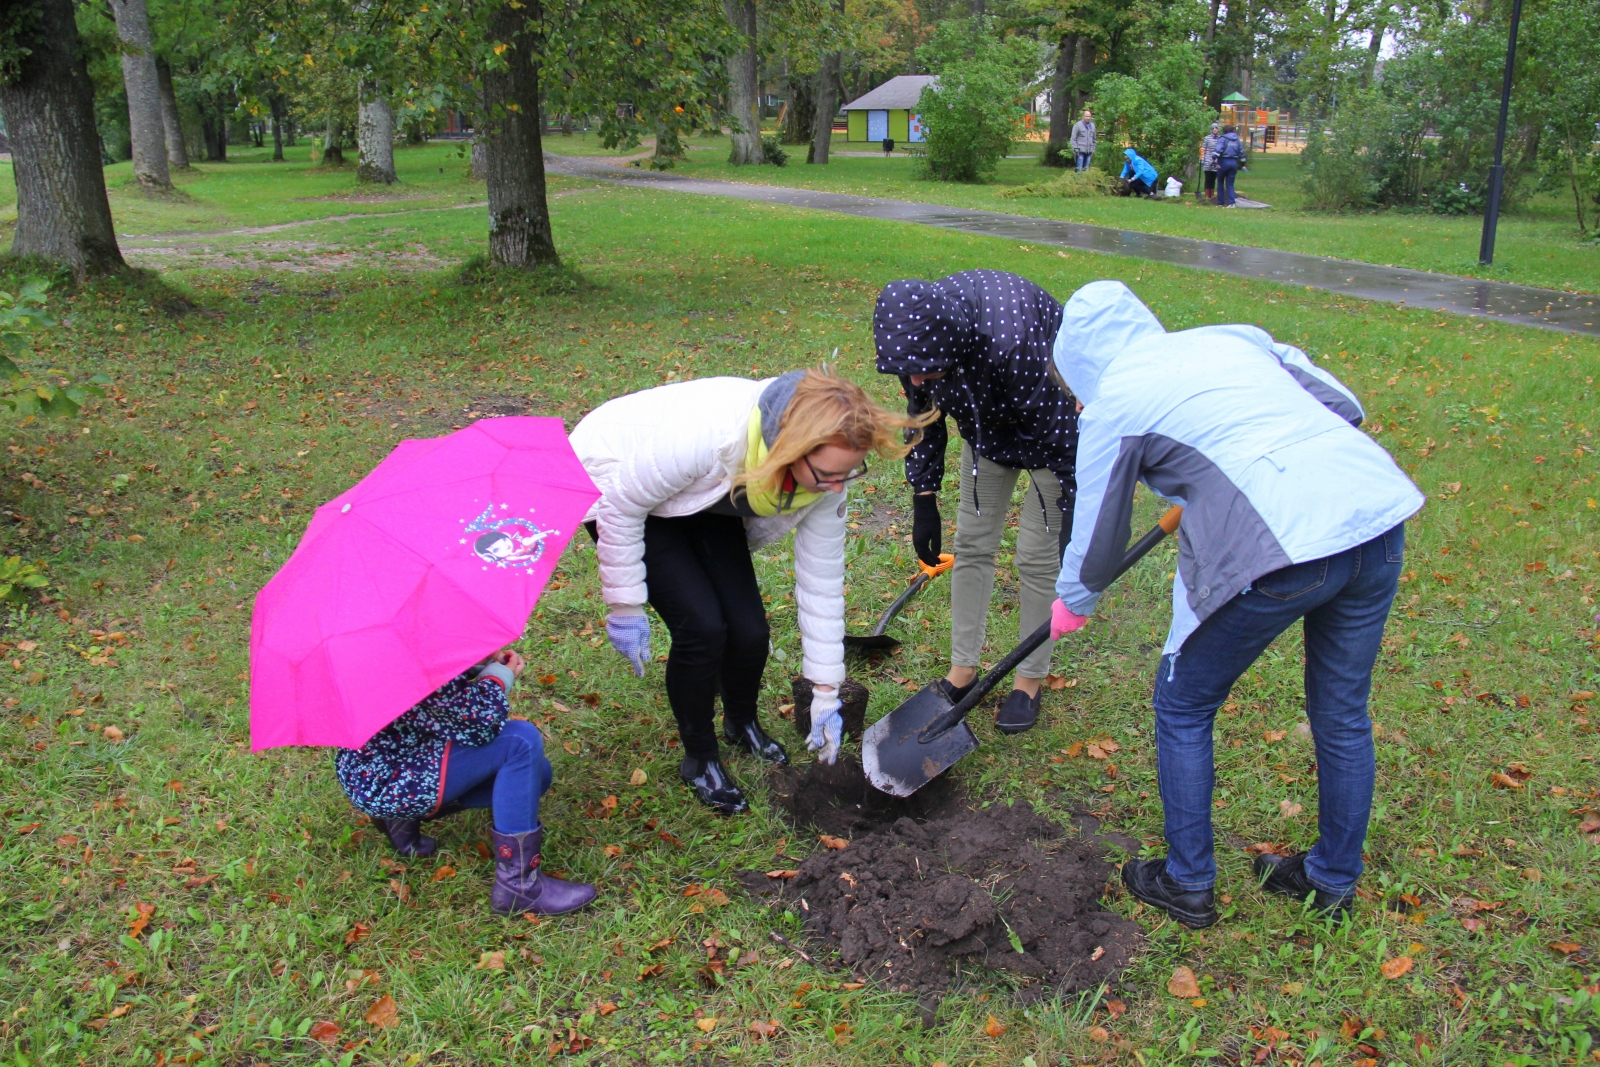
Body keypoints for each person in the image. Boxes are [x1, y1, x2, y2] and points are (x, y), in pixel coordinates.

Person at [1047, 281, 1423, 928]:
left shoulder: (1116, 401)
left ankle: (1188, 880)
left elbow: (1097, 532)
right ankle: (1332, 878)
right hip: (1376, 518)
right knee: (1341, 711)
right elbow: (1345, 404)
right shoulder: (1232, 337)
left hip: (1280, 546)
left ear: (1081, 364)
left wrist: (1074, 601)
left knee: (1184, 702)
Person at [571, 367, 929, 815]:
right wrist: (625, 605)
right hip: (622, 479)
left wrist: (825, 692)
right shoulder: (708, 437)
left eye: (849, 473)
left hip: (703, 494)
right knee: (702, 628)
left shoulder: (828, 476)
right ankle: (700, 759)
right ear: (790, 449)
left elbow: (821, 583)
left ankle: (740, 723)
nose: (839, 486)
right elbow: (622, 503)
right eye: (828, 474)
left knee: (748, 630)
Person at [874, 271, 1079, 735]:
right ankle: (962, 671)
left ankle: (1028, 680)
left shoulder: (1014, 341)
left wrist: (1072, 504)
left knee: (1036, 557)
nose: (917, 378)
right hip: (987, 432)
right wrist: (923, 494)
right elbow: (923, 415)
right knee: (972, 545)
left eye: (926, 369)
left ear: (953, 344)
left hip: (1050, 437)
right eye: (910, 371)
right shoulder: (919, 341)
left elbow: (1063, 432)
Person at [334, 649, 596, 917]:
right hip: (390, 780)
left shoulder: (381, 649)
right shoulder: (405, 659)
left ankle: (401, 818)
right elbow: (478, 724)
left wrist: (471, 665)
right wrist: (497, 679)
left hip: (376, 767)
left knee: (537, 775)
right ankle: (519, 887)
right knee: (520, 742)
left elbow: (429, 702)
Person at [1216, 124, 1244, 207]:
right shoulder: (1236, 140)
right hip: (1233, 162)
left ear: (1224, 131)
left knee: (1220, 182)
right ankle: (1232, 203)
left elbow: (1218, 150)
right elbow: (1241, 152)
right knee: (1230, 184)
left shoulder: (1223, 139)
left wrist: (1214, 159)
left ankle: (1221, 202)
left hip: (1223, 161)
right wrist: (1243, 163)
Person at [1199, 122, 1221, 201]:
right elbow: (1203, 149)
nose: (1215, 129)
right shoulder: (1207, 138)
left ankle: (1212, 194)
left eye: (1216, 128)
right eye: (1213, 128)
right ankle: (1207, 195)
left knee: (1213, 178)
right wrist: (1201, 158)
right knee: (1208, 178)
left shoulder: (1221, 138)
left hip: (1216, 161)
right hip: (1208, 160)